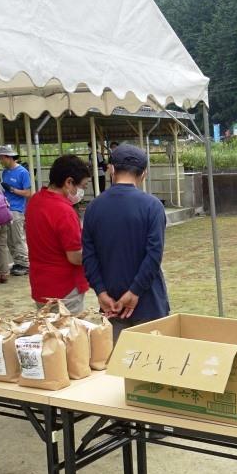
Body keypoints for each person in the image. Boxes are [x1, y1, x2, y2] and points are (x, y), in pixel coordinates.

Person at [82, 145, 169, 341]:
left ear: (111, 169)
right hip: (149, 301)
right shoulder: (152, 206)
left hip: (110, 303)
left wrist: (100, 291)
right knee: (152, 362)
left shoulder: (94, 207)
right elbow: (154, 254)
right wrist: (135, 291)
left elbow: (89, 255)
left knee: (117, 363)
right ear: (144, 173)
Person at [25, 155, 91, 315]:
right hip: (65, 290)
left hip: (41, 284)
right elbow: (75, 257)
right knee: (68, 336)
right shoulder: (64, 211)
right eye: (82, 186)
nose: (81, 192)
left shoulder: (35, 201)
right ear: (69, 182)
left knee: (49, 335)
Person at [0, 145, 32, 276]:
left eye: (1, 158)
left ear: (8, 157)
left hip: (17, 209)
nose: (0, 161)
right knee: (9, 239)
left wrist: (12, 190)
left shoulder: (22, 172)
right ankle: (17, 262)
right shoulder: (5, 172)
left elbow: (28, 193)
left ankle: (25, 263)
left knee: (18, 238)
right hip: (6, 208)